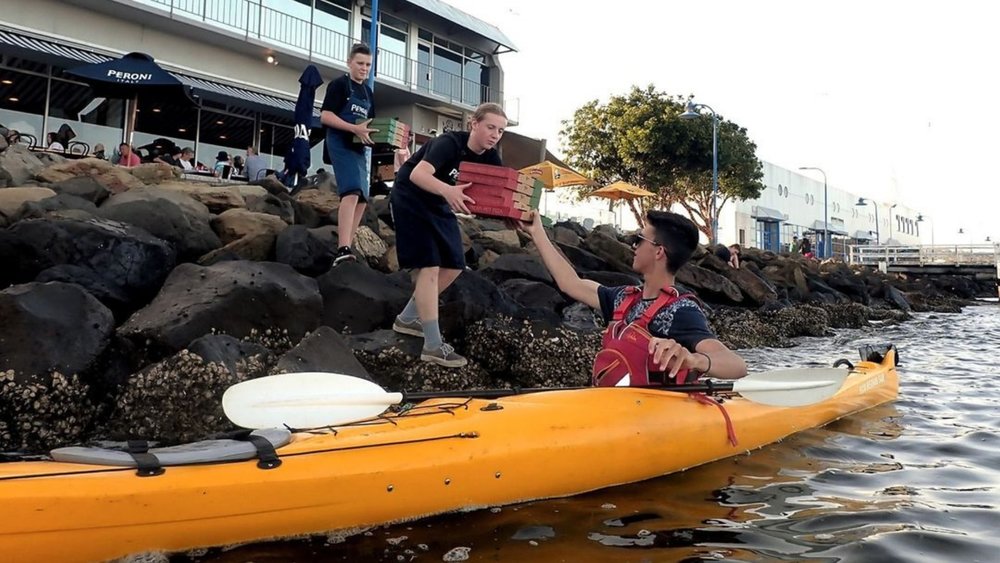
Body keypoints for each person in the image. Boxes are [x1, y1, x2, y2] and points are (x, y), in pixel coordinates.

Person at [521, 209, 747, 384]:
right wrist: (537, 232)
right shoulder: (623, 299)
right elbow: (570, 283)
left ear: (659, 251)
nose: (633, 245)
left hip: (656, 415)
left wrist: (692, 359)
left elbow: (736, 365)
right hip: (617, 405)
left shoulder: (681, 311)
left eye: (639, 239)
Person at [389, 102, 507, 368]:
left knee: (454, 265)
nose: (495, 135)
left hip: (440, 202)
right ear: (474, 124)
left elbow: (498, 194)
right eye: (490, 127)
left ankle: (408, 318)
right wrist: (449, 191)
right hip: (411, 197)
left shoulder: (490, 157)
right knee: (429, 266)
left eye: (500, 131)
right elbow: (418, 174)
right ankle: (432, 345)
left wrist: (513, 219)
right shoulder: (449, 143)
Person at [320, 42, 378, 265]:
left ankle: (349, 243)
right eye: (360, 63)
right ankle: (342, 247)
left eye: (368, 65)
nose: (364, 68)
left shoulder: (368, 93)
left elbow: (370, 123)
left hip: (359, 148)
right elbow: (326, 116)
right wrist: (353, 128)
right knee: (351, 192)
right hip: (339, 143)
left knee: (363, 198)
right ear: (349, 63)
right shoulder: (339, 85)